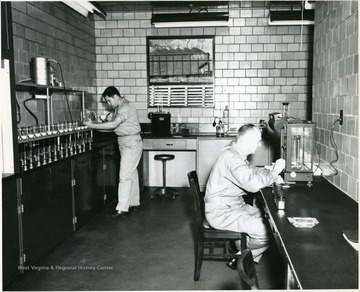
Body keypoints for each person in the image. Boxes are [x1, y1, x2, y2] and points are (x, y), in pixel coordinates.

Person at [204, 123, 285, 263]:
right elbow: (253, 184)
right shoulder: (232, 158)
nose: (259, 145)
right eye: (258, 141)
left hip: (233, 206)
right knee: (267, 231)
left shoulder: (235, 153)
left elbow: (251, 171)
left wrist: (268, 170)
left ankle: (240, 250)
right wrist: (274, 173)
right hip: (221, 212)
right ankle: (241, 255)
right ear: (247, 140)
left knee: (274, 223)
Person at [84, 86, 143, 217]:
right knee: (131, 174)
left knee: (124, 177)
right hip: (126, 142)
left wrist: (92, 125)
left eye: (108, 101)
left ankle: (122, 209)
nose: (108, 104)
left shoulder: (125, 108)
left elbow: (113, 125)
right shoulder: (119, 108)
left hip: (131, 142)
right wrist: (95, 126)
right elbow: (112, 129)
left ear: (115, 96)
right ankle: (134, 202)